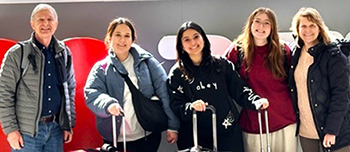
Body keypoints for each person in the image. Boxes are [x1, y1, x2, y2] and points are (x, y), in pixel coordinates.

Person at [167, 21, 269, 152]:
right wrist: (191, 106)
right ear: (181, 46)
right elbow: (176, 104)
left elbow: (239, 89)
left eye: (196, 37)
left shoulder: (221, 65)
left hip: (227, 133)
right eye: (187, 39)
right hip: (195, 137)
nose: (193, 43)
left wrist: (255, 100)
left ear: (203, 38)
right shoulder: (177, 73)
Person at [84, 17, 180, 152]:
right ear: (109, 38)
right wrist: (108, 104)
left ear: (132, 40)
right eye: (118, 35)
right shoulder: (101, 68)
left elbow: (164, 93)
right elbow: (92, 93)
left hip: (147, 135)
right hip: (115, 139)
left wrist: (173, 125)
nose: (122, 40)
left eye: (127, 36)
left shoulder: (147, 63)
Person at [0, 3, 76, 152]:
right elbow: (4, 93)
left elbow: (69, 90)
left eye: (50, 19)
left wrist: (68, 123)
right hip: (26, 133)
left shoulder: (64, 53)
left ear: (56, 24)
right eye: (40, 20)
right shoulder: (17, 54)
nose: (45, 24)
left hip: (55, 130)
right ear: (32, 24)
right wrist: (11, 130)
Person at [225, 7, 297, 152]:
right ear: (250, 24)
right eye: (257, 21)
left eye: (266, 23)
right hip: (253, 122)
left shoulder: (283, 50)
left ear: (273, 27)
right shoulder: (236, 51)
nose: (261, 26)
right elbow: (225, 80)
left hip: (285, 120)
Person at [289, 7, 350, 152]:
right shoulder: (295, 53)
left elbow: (341, 96)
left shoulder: (334, 56)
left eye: (312, 25)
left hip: (334, 132)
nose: (307, 30)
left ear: (320, 27)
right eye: (303, 26)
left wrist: (331, 130)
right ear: (297, 29)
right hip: (306, 132)